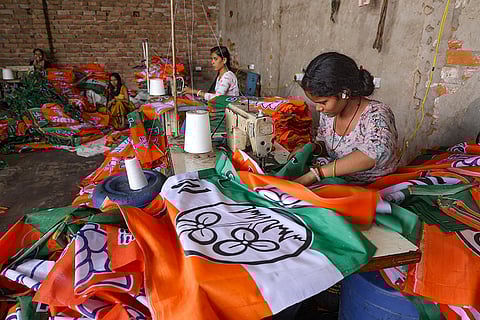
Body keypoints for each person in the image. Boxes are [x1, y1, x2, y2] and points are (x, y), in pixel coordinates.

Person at [291, 52, 398, 186]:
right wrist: (312, 148)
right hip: (339, 183)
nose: (318, 108)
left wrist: (318, 174)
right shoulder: (329, 113)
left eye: (323, 102)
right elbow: (328, 143)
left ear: (344, 93)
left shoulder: (377, 114)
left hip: (374, 190)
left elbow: (374, 154)